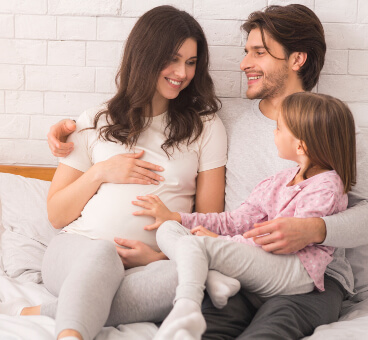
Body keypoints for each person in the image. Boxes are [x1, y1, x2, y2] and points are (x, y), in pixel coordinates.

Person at [45, 4, 368, 339]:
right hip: (237, 266)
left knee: (273, 326)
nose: (243, 64)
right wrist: (70, 138)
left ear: (297, 59)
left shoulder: (333, 128)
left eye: (259, 53)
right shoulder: (226, 120)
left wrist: (313, 229)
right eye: (245, 51)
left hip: (308, 276)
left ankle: (59, 312)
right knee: (203, 327)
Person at [5, 6, 228, 340]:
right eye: (173, 59)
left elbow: (208, 224)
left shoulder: (206, 127)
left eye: (191, 62)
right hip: (78, 250)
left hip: (153, 264)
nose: (182, 72)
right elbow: (56, 214)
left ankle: (48, 312)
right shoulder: (96, 121)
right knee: (103, 253)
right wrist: (100, 172)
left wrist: (155, 257)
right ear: (145, 57)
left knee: (197, 277)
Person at [133, 92, 356, 340]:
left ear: (300, 145)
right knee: (170, 230)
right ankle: (213, 276)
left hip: (295, 270)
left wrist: (220, 244)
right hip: (262, 263)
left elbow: (282, 242)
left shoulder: (326, 187)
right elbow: (236, 221)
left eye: (279, 128)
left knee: (199, 246)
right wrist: (179, 218)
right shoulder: (280, 180)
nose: (274, 133)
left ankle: (188, 302)